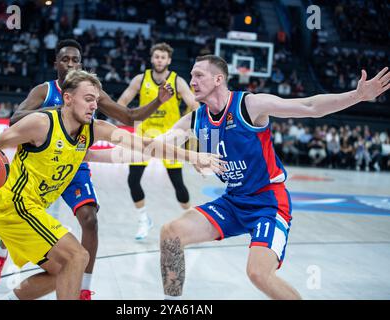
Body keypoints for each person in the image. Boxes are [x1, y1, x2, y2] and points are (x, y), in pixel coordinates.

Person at [158, 55, 390, 299]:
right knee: (171, 233)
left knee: (258, 274)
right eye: (192, 75)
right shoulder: (196, 120)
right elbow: (155, 145)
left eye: (198, 75)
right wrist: (119, 137)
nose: (191, 80)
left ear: (218, 79)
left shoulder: (249, 105)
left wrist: (357, 96)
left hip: (268, 202)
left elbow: (310, 107)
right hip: (233, 201)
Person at [0, 70, 223, 300]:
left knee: (64, 271)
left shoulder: (94, 129)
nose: (94, 105)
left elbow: (145, 145)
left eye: (95, 100)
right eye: (88, 99)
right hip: (13, 206)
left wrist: (192, 156)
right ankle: (0, 252)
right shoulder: (41, 124)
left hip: (32, 209)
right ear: (68, 98)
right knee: (77, 256)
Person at [117, 42, 200, 240]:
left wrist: (185, 125)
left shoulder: (177, 81)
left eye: (163, 57)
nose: (159, 60)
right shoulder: (140, 79)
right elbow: (120, 103)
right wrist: (131, 119)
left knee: (178, 184)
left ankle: (193, 224)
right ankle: (143, 219)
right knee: (133, 179)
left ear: (169, 60)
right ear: (152, 59)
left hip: (169, 137)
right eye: (156, 56)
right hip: (144, 135)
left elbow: (194, 104)